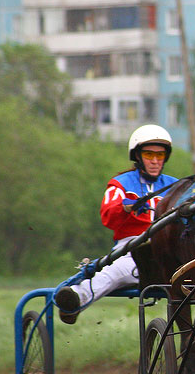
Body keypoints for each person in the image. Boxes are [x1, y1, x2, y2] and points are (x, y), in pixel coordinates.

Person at [54, 124, 178, 324]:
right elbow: (108, 217)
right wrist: (124, 208)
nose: (155, 161)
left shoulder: (177, 185)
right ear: (137, 156)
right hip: (132, 248)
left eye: (160, 155)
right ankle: (75, 298)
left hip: (170, 250)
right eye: (149, 154)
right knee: (116, 271)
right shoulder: (121, 184)